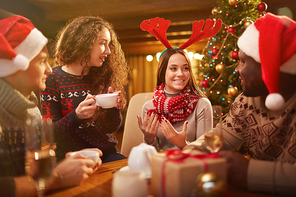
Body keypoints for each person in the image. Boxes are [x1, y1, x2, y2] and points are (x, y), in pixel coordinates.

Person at [184, 13, 296, 196]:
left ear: (269, 66)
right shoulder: (245, 101)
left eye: (243, 61)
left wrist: (248, 171)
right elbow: (219, 138)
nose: (237, 69)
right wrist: (190, 153)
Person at [0, 15, 102, 197]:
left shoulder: (30, 109)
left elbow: (31, 174)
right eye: (41, 61)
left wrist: (68, 163)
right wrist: (57, 176)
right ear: (14, 67)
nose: (49, 69)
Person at [40, 16, 128, 163]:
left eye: (109, 45)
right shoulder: (51, 78)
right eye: (102, 43)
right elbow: (49, 134)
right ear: (83, 43)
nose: (109, 51)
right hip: (71, 158)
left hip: (107, 154)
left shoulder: (103, 75)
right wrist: (76, 116)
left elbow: (111, 127)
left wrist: (113, 109)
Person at [137, 48, 213, 151]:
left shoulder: (202, 104)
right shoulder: (149, 108)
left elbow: (206, 151)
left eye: (185, 68)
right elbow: (150, 156)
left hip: (192, 164)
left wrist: (184, 144)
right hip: (161, 164)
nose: (181, 73)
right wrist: (149, 139)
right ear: (162, 72)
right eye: (173, 68)